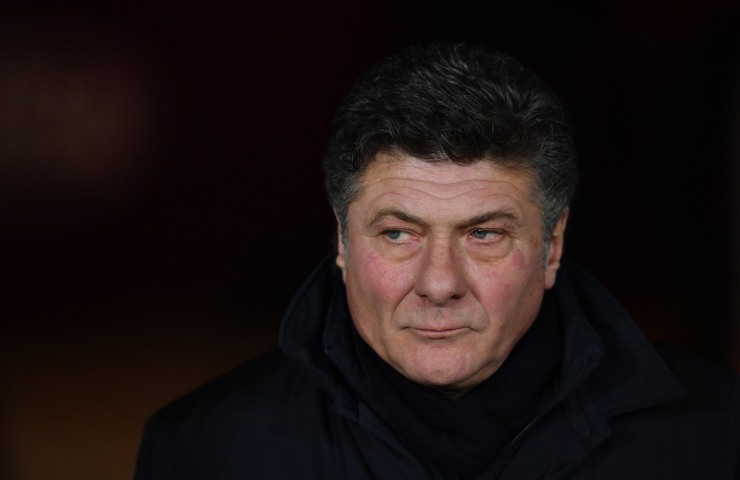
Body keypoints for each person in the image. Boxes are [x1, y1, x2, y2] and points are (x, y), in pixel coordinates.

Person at [134, 43, 740, 480]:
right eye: (399, 233)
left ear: (552, 245)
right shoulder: (203, 451)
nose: (440, 283)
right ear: (342, 240)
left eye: (483, 233)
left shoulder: (717, 436)